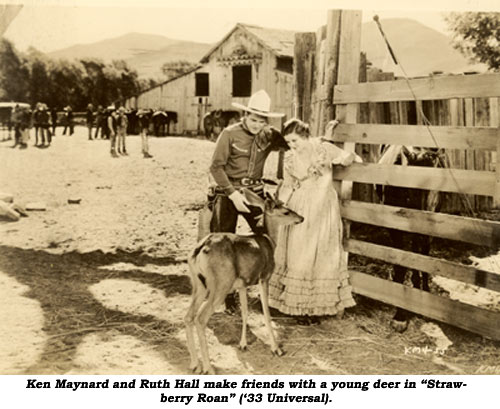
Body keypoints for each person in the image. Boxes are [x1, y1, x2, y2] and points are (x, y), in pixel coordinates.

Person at [268, 118, 361, 325]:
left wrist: (346, 157)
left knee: (322, 253)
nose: (292, 146)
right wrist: (279, 206)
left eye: (295, 141)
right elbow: (288, 186)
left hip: (324, 206)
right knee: (300, 253)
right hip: (301, 206)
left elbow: (348, 159)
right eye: (289, 142)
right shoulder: (290, 158)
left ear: (305, 135)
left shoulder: (323, 149)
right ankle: (299, 307)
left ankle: (317, 305)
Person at [208, 89, 288, 313]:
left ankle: (270, 292)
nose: (256, 124)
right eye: (253, 119)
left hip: (255, 192)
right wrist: (232, 194)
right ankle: (226, 294)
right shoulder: (230, 133)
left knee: (268, 237)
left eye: (261, 121)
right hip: (229, 191)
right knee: (223, 241)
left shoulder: (269, 135)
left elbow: (292, 146)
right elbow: (215, 167)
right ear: (245, 116)